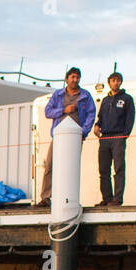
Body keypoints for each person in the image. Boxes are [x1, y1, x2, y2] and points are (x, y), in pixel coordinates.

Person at [40, 67, 95, 205]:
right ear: (67, 79)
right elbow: (48, 112)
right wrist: (64, 110)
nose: (75, 80)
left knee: (71, 167)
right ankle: (46, 197)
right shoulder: (58, 95)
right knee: (50, 165)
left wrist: (84, 132)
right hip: (58, 136)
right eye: (72, 77)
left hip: (76, 136)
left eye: (77, 77)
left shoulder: (85, 96)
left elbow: (91, 114)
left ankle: (68, 198)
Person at [94, 71, 135, 205]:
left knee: (119, 168)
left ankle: (117, 198)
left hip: (118, 136)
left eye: (118, 80)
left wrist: (125, 134)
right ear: (109, 82)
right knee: (103, 169)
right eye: (113, 80)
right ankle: (106, 198)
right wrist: (97, 126)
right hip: (105, 137)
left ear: (121, 82)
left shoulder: (127, 99)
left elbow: (130, 118)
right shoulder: (105, 100)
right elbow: (100, 117)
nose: (115, 83)